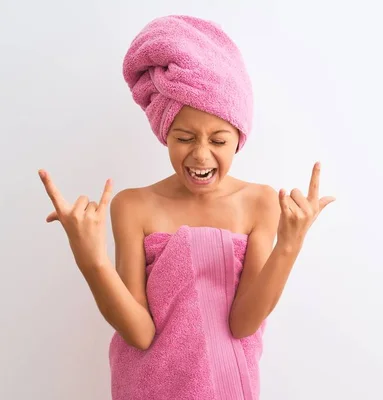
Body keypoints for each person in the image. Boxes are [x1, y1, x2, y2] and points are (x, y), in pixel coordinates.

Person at [38, 15, 334, 400]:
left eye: (219, 140)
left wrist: (290, 245)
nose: (200, 154)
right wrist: (90, 257)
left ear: (238, 140)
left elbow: (244, 323)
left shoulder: (260, 202)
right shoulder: (133, 206)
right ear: (165, 134)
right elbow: (140, 333)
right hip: (149, 388)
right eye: (184, 137)